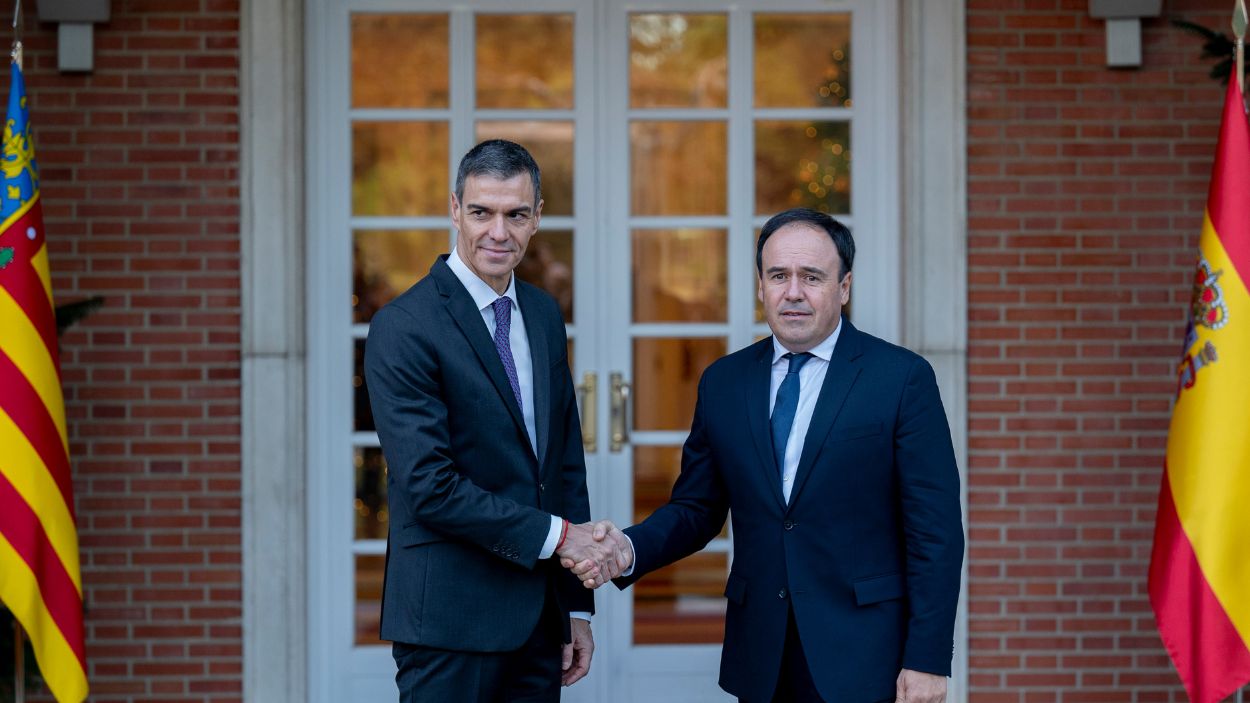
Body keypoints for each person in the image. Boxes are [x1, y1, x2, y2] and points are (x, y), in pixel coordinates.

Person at [567, 208, 965, 703]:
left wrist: (926, 659)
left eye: (812, 277)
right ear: (760, 286)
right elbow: (696, 509)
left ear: (844, 287)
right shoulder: (724, 383)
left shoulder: (901, 379)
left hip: (866, 656)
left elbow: (936, 532)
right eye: (778, 275)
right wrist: (626, 550)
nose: (792, 292)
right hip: (762, 655)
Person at [365, 139, 624, 702]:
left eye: (516, 214)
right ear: (455, 208)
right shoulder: (404, 327)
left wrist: (575, 605)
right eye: (481, 212)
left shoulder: (542, 313)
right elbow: (430, 488)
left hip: (536, 623)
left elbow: (561, 465)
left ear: (537, 218)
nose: (498, 232)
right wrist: (562, 539)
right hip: (448, 625)